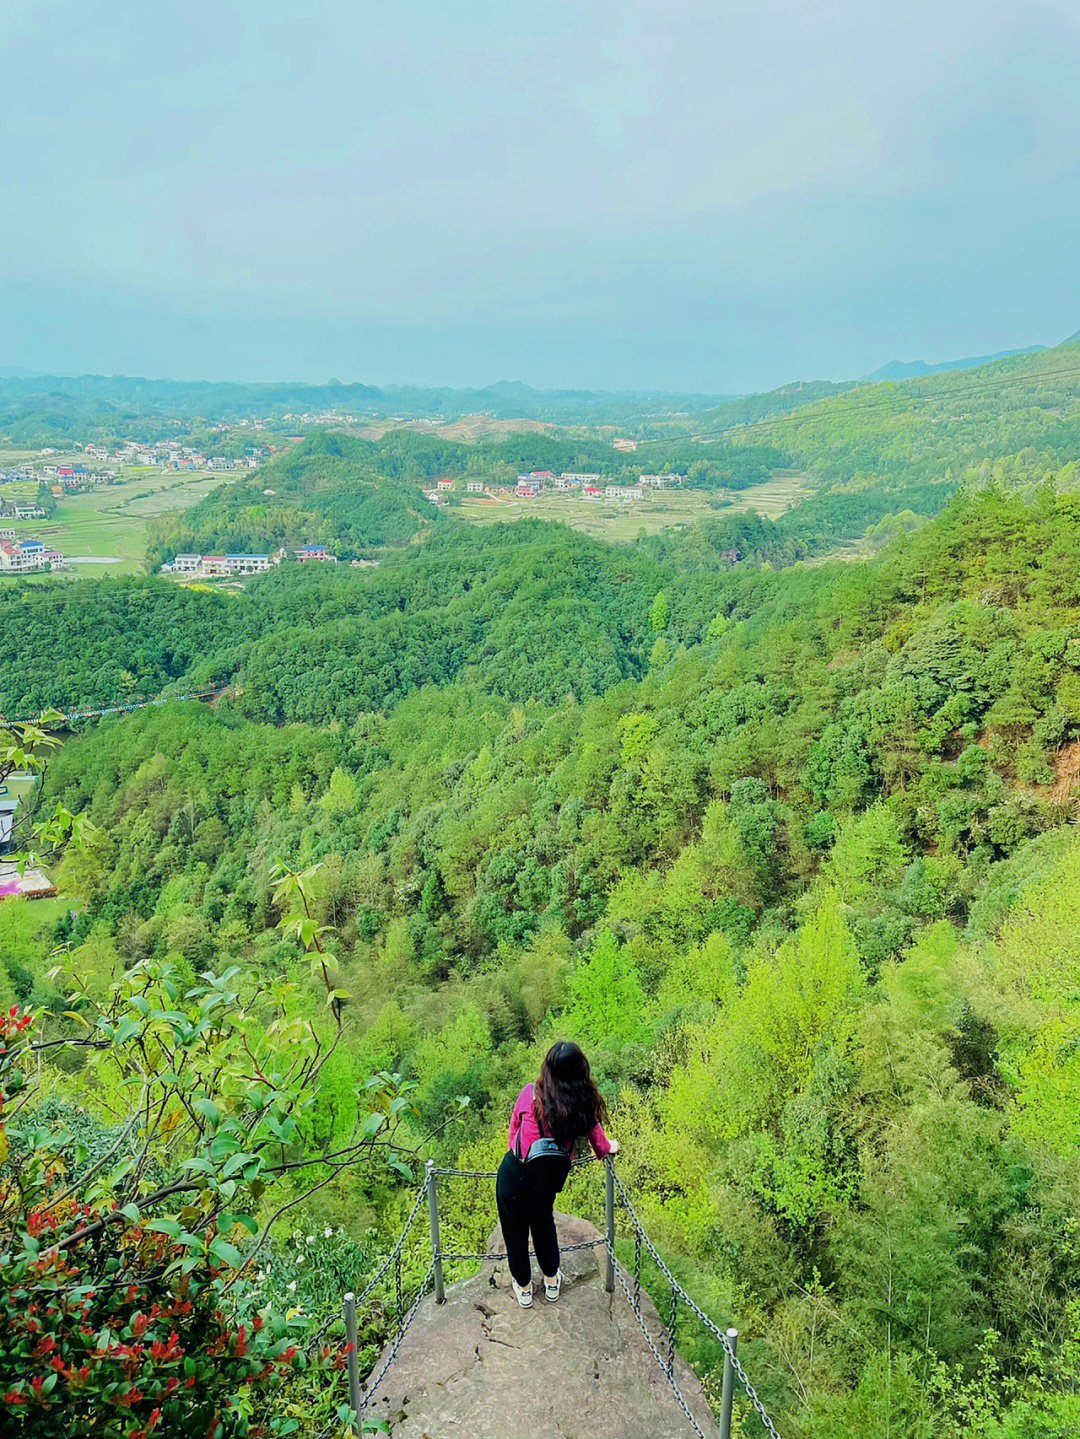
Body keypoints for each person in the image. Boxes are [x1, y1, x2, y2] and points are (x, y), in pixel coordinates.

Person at [496, 1040, 618, 1308]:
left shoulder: (529, 1094)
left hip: (515, 1173)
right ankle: (552, 1282)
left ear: (547, 1068)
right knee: (543, 1224)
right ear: (579, 1072)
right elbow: (601, 1146)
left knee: (514, 1231)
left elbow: (512, 1133)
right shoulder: (581, 1106)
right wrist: (612, 1148)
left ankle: (525, 1289)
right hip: (547, 1180)